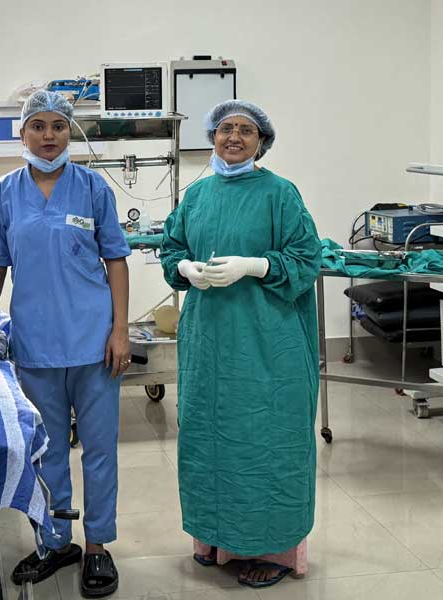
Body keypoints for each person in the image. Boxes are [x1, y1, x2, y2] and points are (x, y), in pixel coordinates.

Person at [0, 90, 131, 598]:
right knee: (47, 450)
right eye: (37, 126)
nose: (48, 136)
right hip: (36, 342)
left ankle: (98, 545)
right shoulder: (6, 191)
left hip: (95, 341)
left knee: (99, 449)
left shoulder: (92, 187)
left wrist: (120, 329)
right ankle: (56, 540)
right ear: (22, 133)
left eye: (58, 125)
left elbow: (116, 259)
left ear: (69, 131)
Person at [159, 99, 322, 589]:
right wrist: (184, 267)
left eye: (245, 131)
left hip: (266, 343)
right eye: (225, 129)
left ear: (262, 142)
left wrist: (256, 266)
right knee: (209, 435)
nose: (233, 137)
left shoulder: (280, 194)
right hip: (209, 343)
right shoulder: (197, 195)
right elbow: (172, 247)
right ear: (212, 136)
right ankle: (215, 537)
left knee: (263, 438)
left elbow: (306, 258)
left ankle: (272, 549)